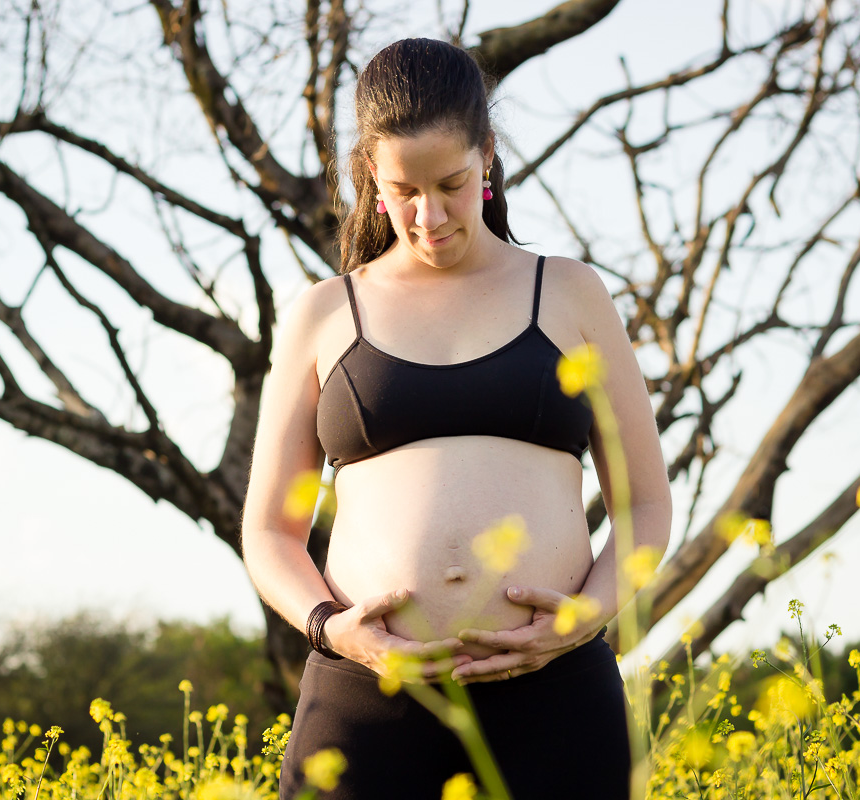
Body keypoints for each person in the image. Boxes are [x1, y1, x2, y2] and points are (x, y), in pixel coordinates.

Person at [240, 37, 672, 800]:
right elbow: (270, 530)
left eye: (453, 183)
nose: (429, 215)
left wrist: (583, 619)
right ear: (372, 170)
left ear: (489, 157)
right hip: (366, 699)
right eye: (405, 189)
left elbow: (645, 505)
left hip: (556, 699)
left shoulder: (571, 294)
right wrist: (327, 628)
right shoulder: (320, 313)